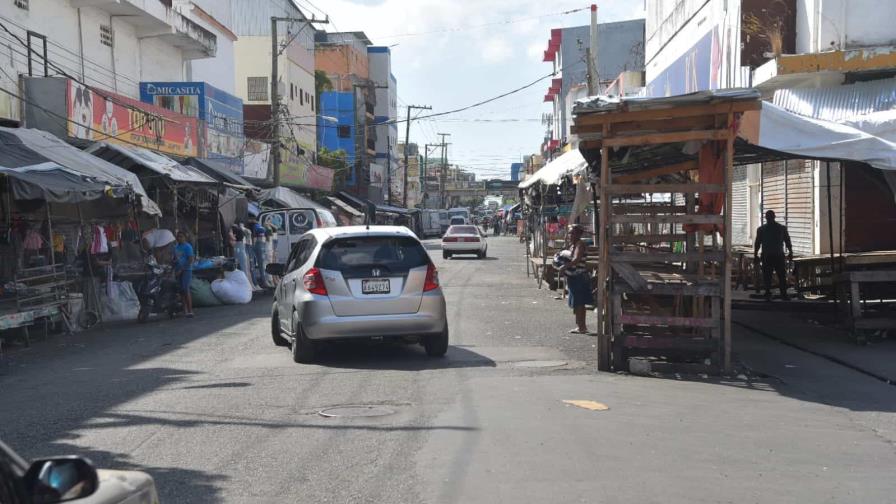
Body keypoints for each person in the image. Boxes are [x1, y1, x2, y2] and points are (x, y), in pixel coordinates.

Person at [558, 224, 593, 334]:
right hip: (573, 277)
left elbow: (577, 259)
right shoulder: (573, 245)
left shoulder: (579, 245)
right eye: (570, 233)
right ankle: (580, 326)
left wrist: (565, 267)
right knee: (577, 303)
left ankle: (582, 327)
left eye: (573, 233)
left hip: (579, 277)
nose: (570, 235)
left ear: (579, 234)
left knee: (579, 303)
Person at [754, 210, 794, 301]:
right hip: (777, 256)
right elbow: (788, 241)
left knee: (768, 276)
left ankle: (769, 293)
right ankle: (783, 294)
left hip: (768, 256)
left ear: (766, 218)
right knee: (781, 276)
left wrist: (755, 255)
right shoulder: (781, 228)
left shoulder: (761, 229)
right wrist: (791, 252)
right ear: (774, 217)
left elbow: (757, 243)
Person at [174, 230, 195, 317]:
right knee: (181, 290)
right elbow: (175, 258)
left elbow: (190, 260)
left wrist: (181, 270)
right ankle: (184, 310)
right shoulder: (176, 247)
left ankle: (190, 311)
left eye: (181, 236)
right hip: (178, 270)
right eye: (178, 237)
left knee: (186, 289)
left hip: (186, 270)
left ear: (185, 238)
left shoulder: (187, 247)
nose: (179, 238)